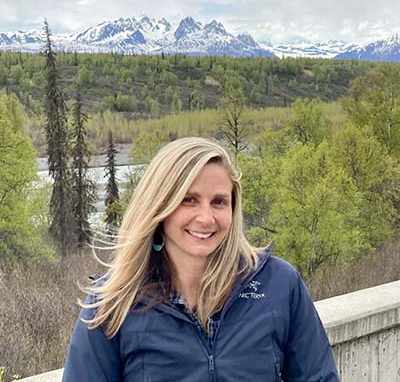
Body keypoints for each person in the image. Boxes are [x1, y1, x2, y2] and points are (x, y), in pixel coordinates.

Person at [62, 136, 339, 382]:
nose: (206, 218)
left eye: (218, 202)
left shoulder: (278, 285)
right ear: (160, 205)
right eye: (189, 200)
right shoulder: (114, 304)